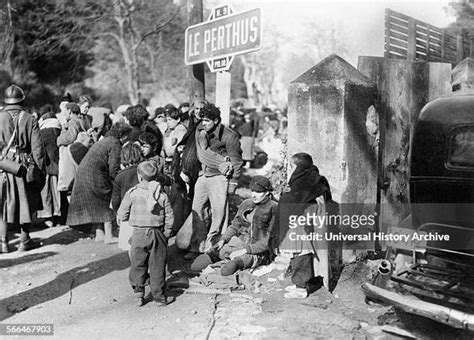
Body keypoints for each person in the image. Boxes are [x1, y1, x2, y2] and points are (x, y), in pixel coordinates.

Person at [191, 175, 277, 275]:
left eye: (258, 192)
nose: (254, 195)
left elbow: (269, 241)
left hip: (257, 251)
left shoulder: (274, 208)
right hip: (238, 243)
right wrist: (223, 240)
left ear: (267, 192)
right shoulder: (247, 203)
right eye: (252, 191)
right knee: (196, 265)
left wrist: (246, 250)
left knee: (228, 269)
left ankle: (234, 263)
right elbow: (234, 226)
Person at [117, 161, 174, 306]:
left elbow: (122, 215)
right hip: (157, 234)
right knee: (157, 266)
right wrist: (166, 234)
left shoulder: (133, 193)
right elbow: (170, 217)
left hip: (138, 234)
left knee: (138, 264)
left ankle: (139, 295)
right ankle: (159, 298)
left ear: (139, 176)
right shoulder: (161, 195)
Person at [192, 101, 243, 253]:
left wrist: (233, 183)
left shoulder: (229, 136)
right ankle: (197, 246)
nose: (203, 123)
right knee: (197, 209)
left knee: (219, 214)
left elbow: (236, 161)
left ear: (216, 120)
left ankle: (214, 247)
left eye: (207, 120)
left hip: (220, 178)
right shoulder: (200, 131)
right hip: (204, 174)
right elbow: (201, 153)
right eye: (202, 120)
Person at [67, 122, 131, 243]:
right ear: (122, 135)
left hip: (85, 173)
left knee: (96, 204)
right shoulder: (115, 144)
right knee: (106, 199)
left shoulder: (106, 140)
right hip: (95, 175)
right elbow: (113, 170)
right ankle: (109, 236)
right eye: (127, 136)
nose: (128, 139)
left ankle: (99, 234)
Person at [0, 85, 45, 253]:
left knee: (2, 203)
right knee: (27, 201)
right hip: (24, 166)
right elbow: (38, 149)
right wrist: (39, 170)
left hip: (3, 166)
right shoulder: (30, 119)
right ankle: (24, 240)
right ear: (22, 100)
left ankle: (3, 242)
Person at [111, 142, 143, 251]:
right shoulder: (144, 172)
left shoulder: (120, 176)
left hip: (128, 214)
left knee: (130, 246)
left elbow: (116, 199)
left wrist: (117, 213)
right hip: (144, 213)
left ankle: (135, 266)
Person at [37, 107, 62, 227]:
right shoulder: (60, 130)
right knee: (57, 192)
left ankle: (48, 218)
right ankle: (58, 215)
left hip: (46, 167)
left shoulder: (42, 132)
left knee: (46, 192)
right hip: (58, 166)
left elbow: (39, 150)